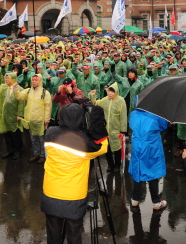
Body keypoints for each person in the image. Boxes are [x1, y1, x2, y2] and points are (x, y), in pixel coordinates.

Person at [41, 103, 108, 244]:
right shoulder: (85, 142)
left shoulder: (50, 133)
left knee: (53, 236)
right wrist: (96, 121)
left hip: (51, 193)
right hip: (74, 196)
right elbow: (103, 146)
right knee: (74, 236)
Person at [128, 109, 168, 211]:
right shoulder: (155, 114)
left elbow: (131, 125)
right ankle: (156, 201)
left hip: (137, 146)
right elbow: (164, 126)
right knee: (152, 172)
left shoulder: (133, 114)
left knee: (138, 171)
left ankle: (135, 199)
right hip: (151, 147)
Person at [13, 74, 52, 164]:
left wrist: (47, 119)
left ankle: (42, 155)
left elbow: (48, 106)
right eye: (33, 80)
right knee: (33, 139)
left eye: (36, 80)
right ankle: (36, 154)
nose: (34, 82)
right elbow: (19, 96)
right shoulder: (28, 91)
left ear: (40, 81)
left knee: (41, 139)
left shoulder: (45, 92)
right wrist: (15, 89)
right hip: (30, 119)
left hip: (40, 120)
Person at [89, 85, 127, 173]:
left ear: (116, 92)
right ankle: (110, 164)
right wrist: (92, 95)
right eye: (109, 91)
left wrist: (123, 130)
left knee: (117, 148)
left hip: (116, 129)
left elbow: (123, 116)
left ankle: (117, 165)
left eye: (112, 92)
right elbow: (95, 103)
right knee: (107, 148)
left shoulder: (121, 100)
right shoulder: (105, 100)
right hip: (106, 129)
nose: (110, 93)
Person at [0, 72, 25, 160]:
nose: (6, 80)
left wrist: (20, 114)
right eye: (6, 78)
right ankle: (10, 150)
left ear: (13, 79)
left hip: (14, 115)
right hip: (5, 114)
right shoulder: (3, 87)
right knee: (7, 134)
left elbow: (21, 103)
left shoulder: (20, 89)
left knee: (15, 134)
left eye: (8, 78)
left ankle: (18, 151)